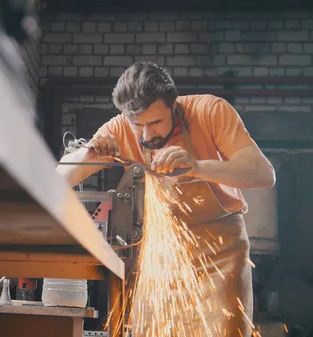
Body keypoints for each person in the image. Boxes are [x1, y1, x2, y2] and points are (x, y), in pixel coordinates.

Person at [56, 61, 276, 337]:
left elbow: (263, 174)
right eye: (138, 125)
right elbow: (59, 178)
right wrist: (88, 155)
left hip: (220, 255)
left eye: (156, 122)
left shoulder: (210, 111)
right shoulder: (120, 127)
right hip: (162, 257)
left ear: (174, 105)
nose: (147, 135)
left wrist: (197, 166)